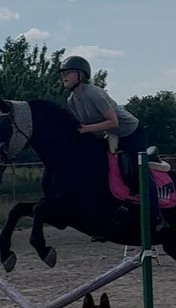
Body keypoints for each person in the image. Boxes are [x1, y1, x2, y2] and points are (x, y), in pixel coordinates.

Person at [59, 55, 169, 233]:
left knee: (138, 171)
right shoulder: (71, 100)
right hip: (112, 135)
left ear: (81, 74)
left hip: (131, 133)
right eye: (63, 73)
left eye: (68, 72)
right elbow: (85, 127)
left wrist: (85, 129)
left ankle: (157, 217)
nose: (64, 76)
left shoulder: (93, 93)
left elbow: (113, 121)